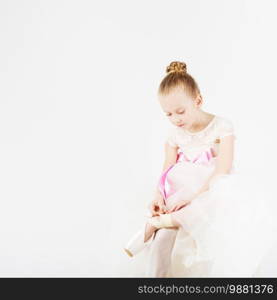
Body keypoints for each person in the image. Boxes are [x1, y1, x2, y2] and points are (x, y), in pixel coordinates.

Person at [123, 61, 275, 277]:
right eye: (168, 114)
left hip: (211, 190)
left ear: (198, 100)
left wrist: (194, 198)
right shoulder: (174, 135)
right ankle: (161, 228)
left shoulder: (222, 127)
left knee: (213, 202)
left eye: (180, 112)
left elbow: (223, 170)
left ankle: (155, 224)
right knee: (163, 240)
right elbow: (166, 170)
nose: (175, 119)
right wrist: (158, 197)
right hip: (179, 193)